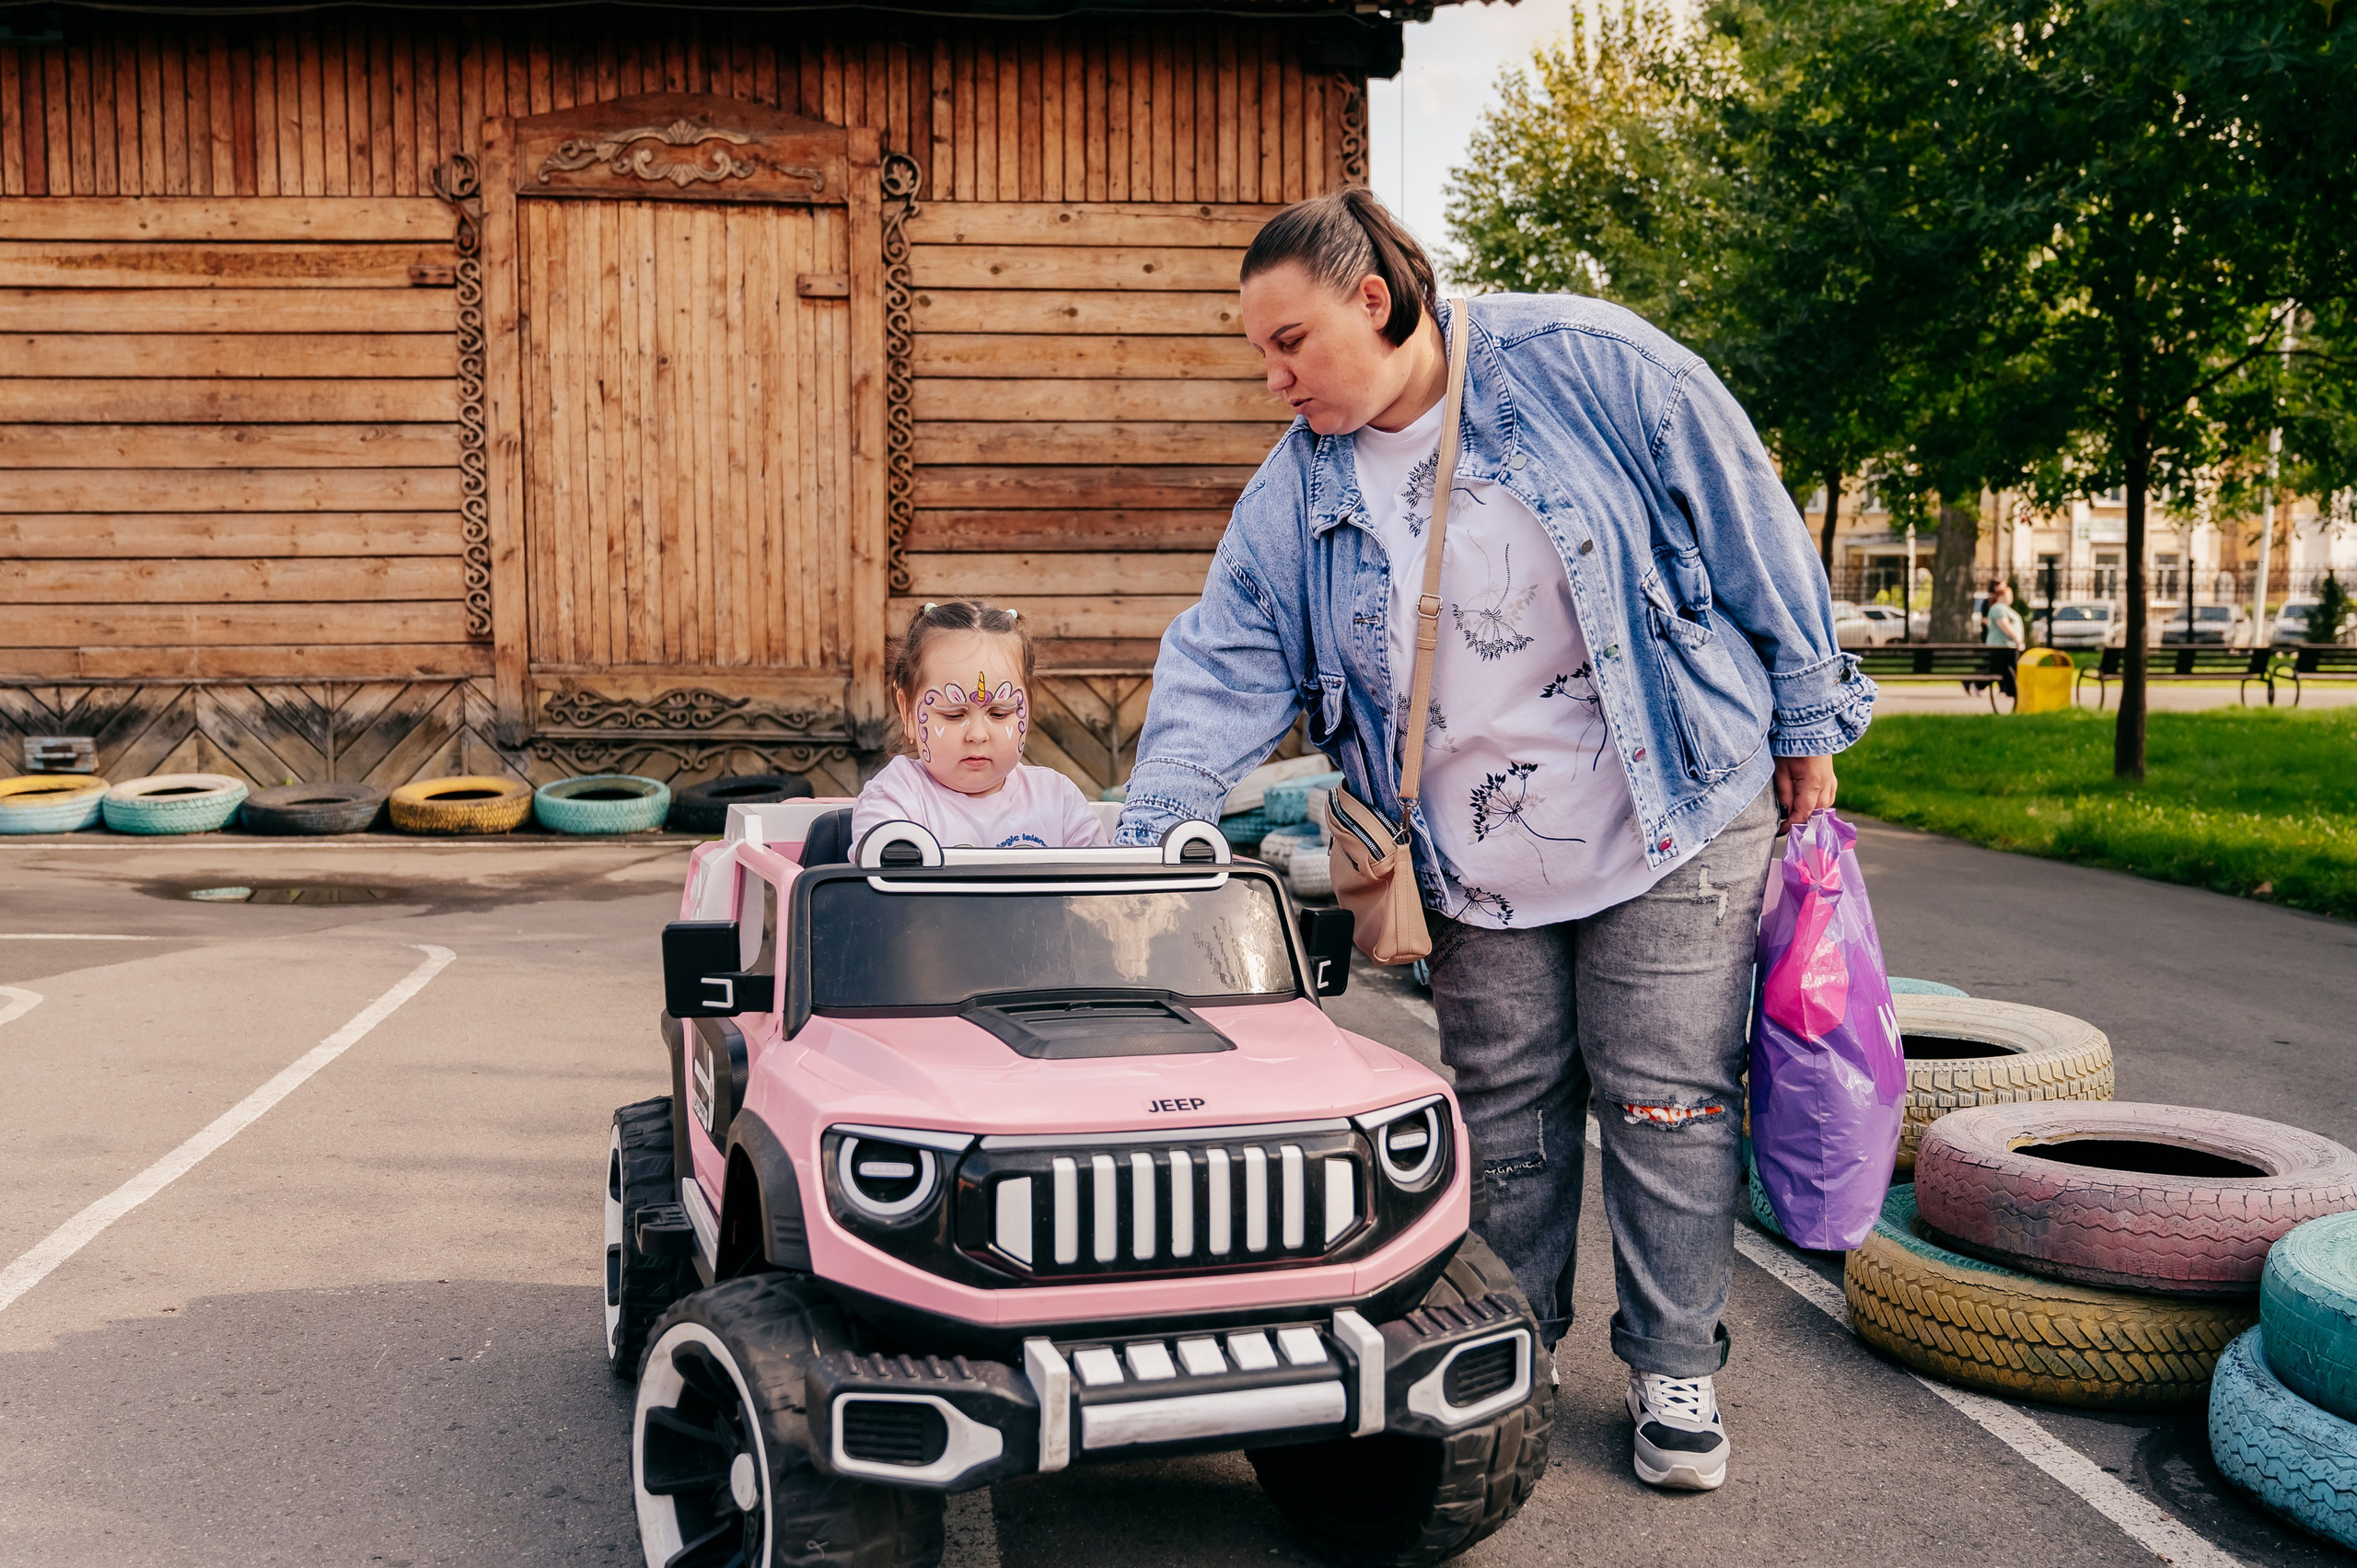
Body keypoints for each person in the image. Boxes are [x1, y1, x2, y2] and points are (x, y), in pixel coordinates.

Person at [1114, 190, 1874, 1493]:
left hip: (1672, 808)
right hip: (1467, 862)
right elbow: (1224, 654)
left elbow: (1748, 513)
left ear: (1374, 299)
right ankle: (1508, 1349)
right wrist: (1161, 816)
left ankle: (1675, 1361)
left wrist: (1808, 709)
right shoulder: (1295, 492)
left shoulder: (1589, 366)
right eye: (1261, 354)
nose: (1276, 376)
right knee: (1502, 1111)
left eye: (1291, 341)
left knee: (1666, 1093)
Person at [853, 600, 1109, 851]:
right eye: (953, 714)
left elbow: (1100, 889)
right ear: (908, 711)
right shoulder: (894, 800)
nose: (977, 735)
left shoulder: (1059, 803)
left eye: (999, 713)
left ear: (1027, 708)